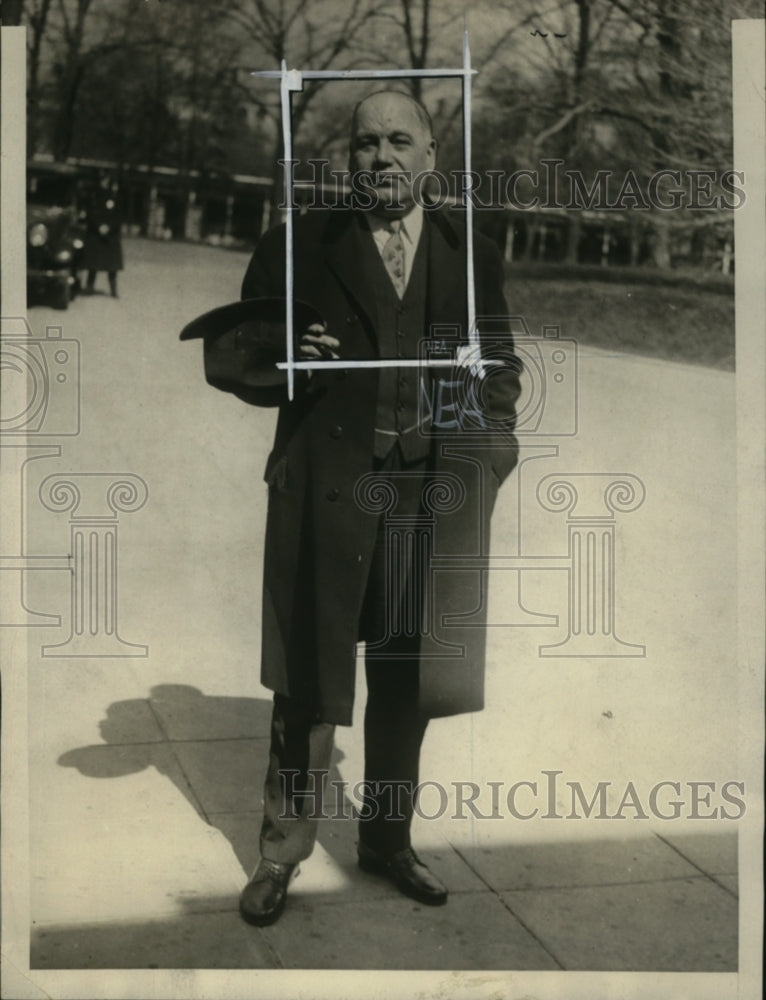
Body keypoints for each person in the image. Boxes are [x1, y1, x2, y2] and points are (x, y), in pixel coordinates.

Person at [216, 90, 521, 925]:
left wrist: (491, 455)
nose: (380, 158)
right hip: (327, 490)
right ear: (344, 158)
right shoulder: (297, 245)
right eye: (363, 144)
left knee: (407, 676)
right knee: (308, 679)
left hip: (428, 495)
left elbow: (500, 370)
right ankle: (281, 852)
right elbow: (230, 354)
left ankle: (386, 840)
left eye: (398, 141)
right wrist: (283, 358)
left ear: (431, 157)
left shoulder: (472, 253)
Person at [81, 171, 123, 297]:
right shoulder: (93, 196)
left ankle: (113, 289)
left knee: (112, 265)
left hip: (111, 235)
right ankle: (89, 286)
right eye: (103, 180)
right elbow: (91, 213)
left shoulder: (115, 197)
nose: (105, 183)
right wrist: (99, 226)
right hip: (95, 233)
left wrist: (109, 227)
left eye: (107, 180)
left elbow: (119, 215)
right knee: (93, 262)